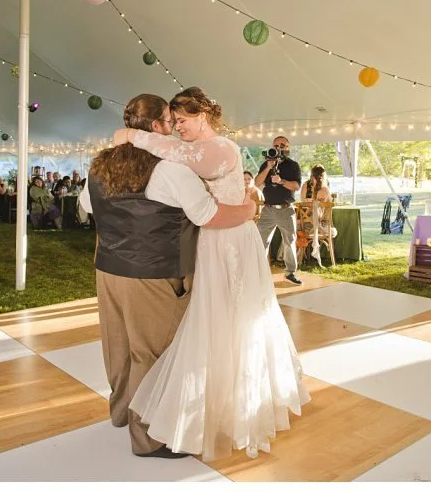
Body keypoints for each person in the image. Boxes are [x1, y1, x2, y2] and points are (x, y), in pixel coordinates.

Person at [115, 87, 309, 460]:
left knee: (237, 319)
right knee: (212, 319)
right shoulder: (194, 150)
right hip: (211, 238)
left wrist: (135, 135)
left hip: (233, 241)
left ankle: (240, 407)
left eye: (183, 120)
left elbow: (184, 156)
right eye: (175, 122)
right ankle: (212, 404)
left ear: (202, 115)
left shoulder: (221, 148)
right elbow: (179, 159)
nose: (178, 128)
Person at [253, 133, 303, 284]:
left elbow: (296, 186)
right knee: (261, 241)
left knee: (289, 241)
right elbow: (256, 183)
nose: (278, 148)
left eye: (282, 146)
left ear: (288, 148)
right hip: (268, 209)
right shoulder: (267, 164)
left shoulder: (293, 165)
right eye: (276, 146)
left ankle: (290, 273)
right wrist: (268, 167)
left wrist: (281, 181)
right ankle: (259, 272)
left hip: (286, 209)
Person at [299, 164, 337, 263]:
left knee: (293, 227)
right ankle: (302, 252)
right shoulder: (325, 190)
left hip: (312, 226)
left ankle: (299, 256)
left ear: (311, 176)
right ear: (324, 176)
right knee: (295, 225)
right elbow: (319, 215)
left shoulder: (314, 189)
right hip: (320, 226)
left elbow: (316, 215)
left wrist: (302, 219)